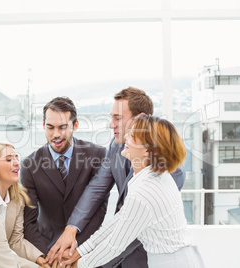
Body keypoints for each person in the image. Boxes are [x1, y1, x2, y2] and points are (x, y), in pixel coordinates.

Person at [47, 87, 186, 267]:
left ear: (140, 119)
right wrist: (71, 229)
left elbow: (126, 232)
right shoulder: (117, 145)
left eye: (118, 118)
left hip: (145, 257)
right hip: (115, 248)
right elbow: (97, 188)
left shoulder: (166, 173)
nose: (111, 124)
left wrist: (82, 262)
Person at [62, 115, 205, 268]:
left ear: (148, 151)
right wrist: (81, 251)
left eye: (133, 136)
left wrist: (79, 265)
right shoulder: (152, 176)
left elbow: (114, 245)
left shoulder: (145, 192)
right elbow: (120, 220)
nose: (126, 137)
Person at [20, 97, 107, 255]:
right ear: (43, 126)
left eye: (62, 127)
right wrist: (47, 256)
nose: (56, 134)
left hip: (87, 249)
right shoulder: (29, 165)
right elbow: (29, 222)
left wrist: (75, 249)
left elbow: (99, 209)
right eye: (50, 127)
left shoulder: (97, 154)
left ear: (75, 125)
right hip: (48, 250)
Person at [0, 143, 49, 268]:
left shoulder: (18, 199)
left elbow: (16, 240)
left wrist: (40, 258)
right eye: (9, 159)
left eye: (16, 158)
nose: (17, 163)